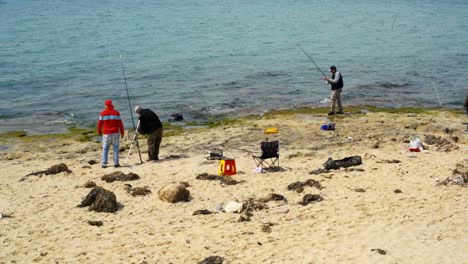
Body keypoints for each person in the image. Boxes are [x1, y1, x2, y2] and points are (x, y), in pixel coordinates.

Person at [97, 99, 125, 168]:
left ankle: (104, 164)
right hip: (115, 133)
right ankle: (116, 163)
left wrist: (99, 132)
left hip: (106, 134)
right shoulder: (116, 113)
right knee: (116, 148)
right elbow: (120, 124)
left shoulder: (102, 113)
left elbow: (99, 124)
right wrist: (122, 132)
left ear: (106, 105)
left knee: (105, 148)